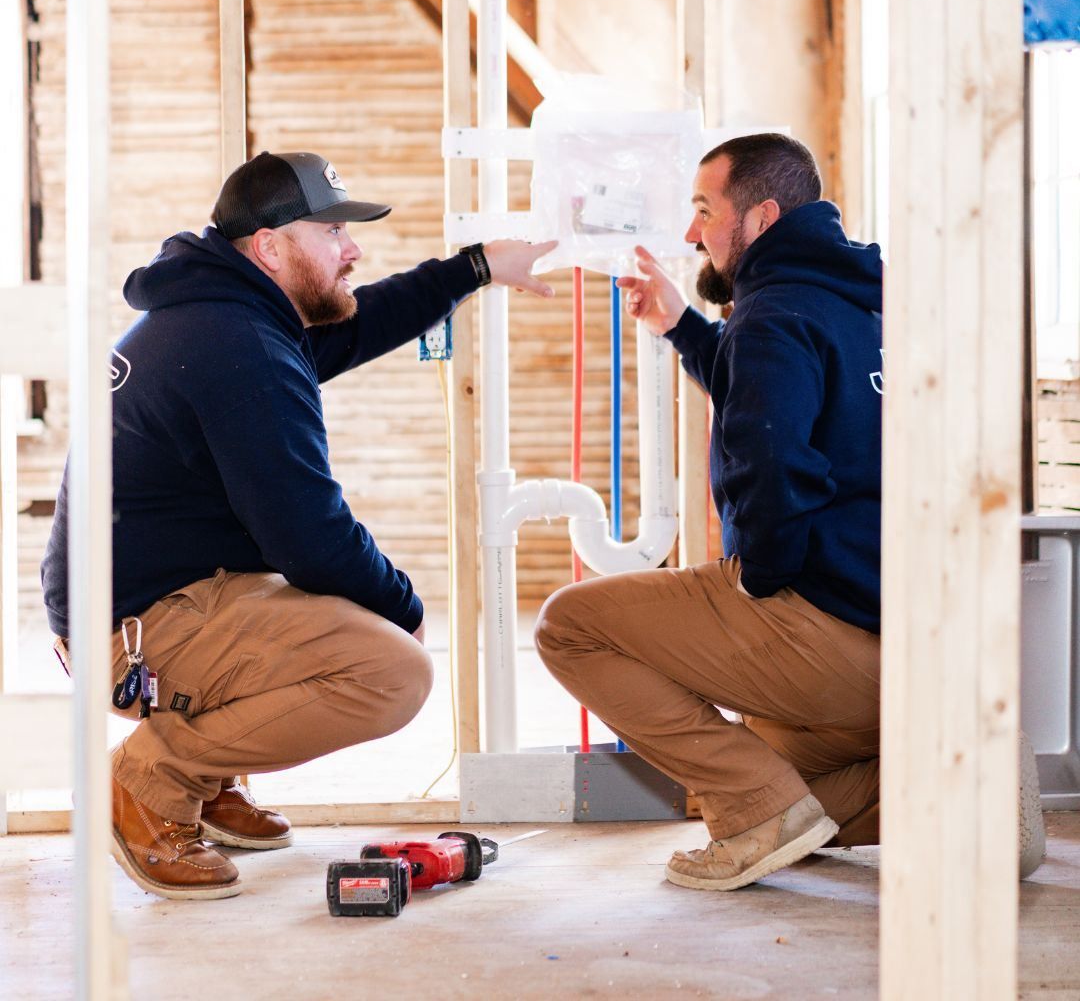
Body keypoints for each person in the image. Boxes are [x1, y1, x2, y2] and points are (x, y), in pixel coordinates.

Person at [42, 150, 556, 901]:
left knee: (324, 607)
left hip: (140, 607)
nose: (352, 249)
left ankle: (207, 780)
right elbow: (309, 534)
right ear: (272, 247)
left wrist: (473, 268)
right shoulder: (236, 346)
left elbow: (353, 327)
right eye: (333, 232)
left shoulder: (225, 315)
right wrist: (404, 608)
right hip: (137, 633)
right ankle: (152, 781)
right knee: (390, 672)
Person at [535, 133, 884, 891]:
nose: (692, 231)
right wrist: (681, 326)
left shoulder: (771, 317)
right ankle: (933, 796)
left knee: (568, 626)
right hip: (900, 651)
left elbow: (773, 466)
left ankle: (766, 816)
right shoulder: (860, 302)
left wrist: (757, 584)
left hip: (826, 638)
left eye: (703, 209)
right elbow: (776, 397)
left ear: (758, 217)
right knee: (760, 773)